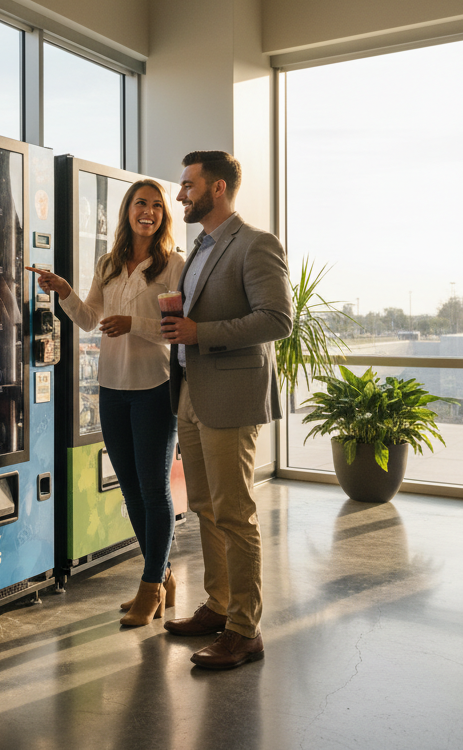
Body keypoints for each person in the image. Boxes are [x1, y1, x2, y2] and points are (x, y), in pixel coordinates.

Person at [28, 179, 185, 627]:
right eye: (141, 203)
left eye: (157, 206)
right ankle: (165, 575)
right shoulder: (109, 263)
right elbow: (89, 320)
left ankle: (151, 584)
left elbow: (176, 329)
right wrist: (63, 290)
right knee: (132, 489)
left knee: (155, 489)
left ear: (163, 217)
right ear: (127, 210)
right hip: (111, 388)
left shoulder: (173, 266)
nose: (148, 212)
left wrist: (134, 322)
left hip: (155, 387)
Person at [159, 150, 292, 670]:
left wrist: (200, 334)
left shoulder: (256, 244)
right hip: (191, 389)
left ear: (217, 188)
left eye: (188, 185)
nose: (180, 195)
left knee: (235, 513)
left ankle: (245, 629)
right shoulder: (199, 251)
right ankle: (219, 606)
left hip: (231, 395)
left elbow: (277, 319)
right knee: (206, 508)